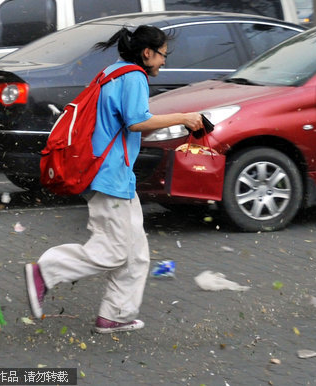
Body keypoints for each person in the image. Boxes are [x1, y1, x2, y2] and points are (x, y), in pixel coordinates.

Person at [24, 25, 203, 333]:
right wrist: (184, 118)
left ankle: (116, 315)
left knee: (136, 253)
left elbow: (125, 125)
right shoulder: (134, 76)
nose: (163, 62)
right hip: (110, 177)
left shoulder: (113, 72)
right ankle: (46, 272)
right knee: (115, 251)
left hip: (111, 175)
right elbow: (136, 122)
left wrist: (172, 126)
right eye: (162, 55)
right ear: (147, 53)